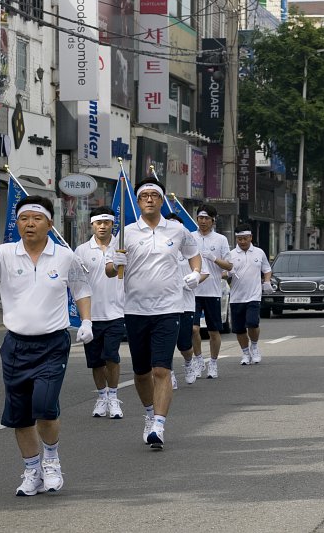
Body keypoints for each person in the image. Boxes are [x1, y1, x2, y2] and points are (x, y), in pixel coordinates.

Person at [0, 195, 93, 496]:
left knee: (45, 407)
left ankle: (51, 460)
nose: (30, 224)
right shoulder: (5, 253)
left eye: (36, 218)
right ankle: (31, 470)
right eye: (24, 219)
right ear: (17, 224)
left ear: (50, 224)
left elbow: (81, 288)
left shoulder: (64, 257)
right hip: (16, 346)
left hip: (52, 344)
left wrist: (86, 321)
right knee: (19, 415)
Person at [106, 178, 201, 449]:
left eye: (154, 195)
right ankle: (149, 413)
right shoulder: (126, 233)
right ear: (138, 202)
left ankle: (159, 423)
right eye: (144, 195)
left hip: (168, 308)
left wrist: (195, 273)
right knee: (141, 371)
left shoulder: (177, 230)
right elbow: (109, 270)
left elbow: (194, 254)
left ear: (161, 200)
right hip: (135, 309)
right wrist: (116, 264)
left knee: (162, 368)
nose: (149, 199)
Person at [74, 206, 125, 419]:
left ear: (113, 224)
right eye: (98, 223)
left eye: (107, 222)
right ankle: (102, 396)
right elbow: (75, 284)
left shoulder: (122, 248)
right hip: (91, 316)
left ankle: (113, 397)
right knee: (96, 362)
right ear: (92, 225)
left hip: (116, 312)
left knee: (112, 357)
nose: (102, 226)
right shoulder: (81, 251)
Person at [190, 204, 233, 379]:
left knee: (214, 331)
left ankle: (213, 363)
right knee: (193, 329)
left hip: (213, 291)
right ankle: (199, 359)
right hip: (193, 291)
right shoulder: (190, 237)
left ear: (213, 220)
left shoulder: (220, 240)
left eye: (207, 218)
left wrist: (213, 258)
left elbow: (229, 265)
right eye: (200, 218)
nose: (203, 221)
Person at [165, 213, 208, 387]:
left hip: (185, 303)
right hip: (165, 304)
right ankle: (169, 374)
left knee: (184, 344)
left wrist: (194, 279)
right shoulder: (159, 248)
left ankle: (189, 363)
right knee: (165, 344)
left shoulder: (189, 249)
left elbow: (203, 272)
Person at [226, 224, 273, 365]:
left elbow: (266, 268)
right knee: (239, 329)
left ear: (251, 237)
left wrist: (267, 281)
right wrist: (227, 273)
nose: (242, 242)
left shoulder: (259, 252)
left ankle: (254, 346)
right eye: (239, 239)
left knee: (252, 323)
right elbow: (224, 273)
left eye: (245, 238)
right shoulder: (231, 255)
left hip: (254, 296)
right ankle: (245, 353)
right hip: (236, 297)